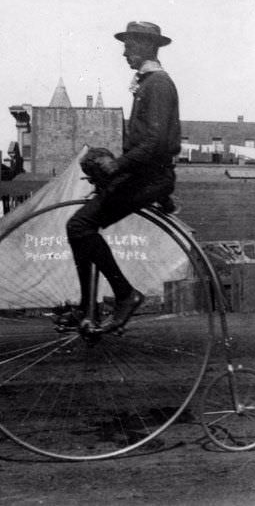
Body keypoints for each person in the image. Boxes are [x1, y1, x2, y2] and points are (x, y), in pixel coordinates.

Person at [61, 21, 181, 333]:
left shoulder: (158, 85)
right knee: (80, 226)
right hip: (145, 177)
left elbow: (156, 144)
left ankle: (125, 295)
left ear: (148, 47)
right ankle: (88, 307)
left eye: (130, 45)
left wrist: (118, 167)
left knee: (79, 225)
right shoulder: (147, 84)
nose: (124, 52)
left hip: (148, 178)